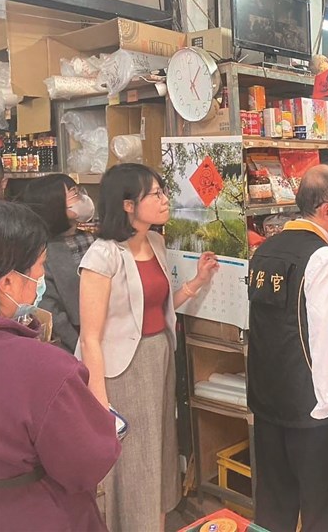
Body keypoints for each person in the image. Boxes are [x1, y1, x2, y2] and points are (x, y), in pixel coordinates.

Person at [78, 163, 218, 532]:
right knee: (133, 457)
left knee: (159, 449)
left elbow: (157, 306)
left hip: (160, 357)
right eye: (155, 194)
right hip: (122, 371)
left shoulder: (155, 243)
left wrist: (197, 283)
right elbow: (90, 337)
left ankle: (155, 523)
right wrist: (99, 400)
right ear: (128, 205)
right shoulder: (102, 255)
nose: (164, 199)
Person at [247, 164, 328, 532]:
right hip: (312, 413)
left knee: (273, 510)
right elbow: (325, 344)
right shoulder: (323, 258)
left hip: (268, 405)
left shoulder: (266, 250)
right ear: (326, 209)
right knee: (322, 513)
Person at [0, 201, 120, 531]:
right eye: (39, 266)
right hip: (35, 514)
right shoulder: (44, 369)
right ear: (7, 283)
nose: (41, 278)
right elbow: (87, 462)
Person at [21, 174, 97, 353]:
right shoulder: (44, 253)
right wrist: (80, 346)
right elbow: (51, 310)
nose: (82, 198)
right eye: (74, 193)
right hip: (75, 344)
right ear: (53, 205)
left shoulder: (91, 238)